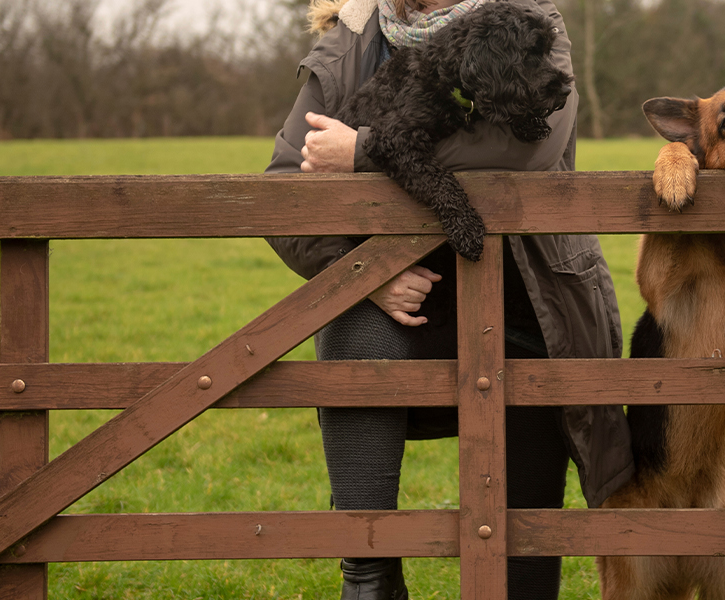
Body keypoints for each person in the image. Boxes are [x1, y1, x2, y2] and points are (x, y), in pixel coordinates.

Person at [264, 0, 634, 598]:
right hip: (404, 298)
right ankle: (369, 576)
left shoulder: (530, 19)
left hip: (533, 295)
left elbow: (530, 152)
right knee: (353, 338)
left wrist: (364, 150)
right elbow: (284, 181)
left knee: (525, 534)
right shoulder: (350, 40)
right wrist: (361, 274)